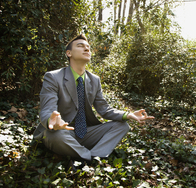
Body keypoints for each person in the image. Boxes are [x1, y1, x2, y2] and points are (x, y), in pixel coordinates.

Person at [33, 34, 154, 165]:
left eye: (88, 47)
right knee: (54, 135)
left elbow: (104, 110)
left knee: (122, 126)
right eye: (80, 46)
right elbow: (47, 109)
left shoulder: (94, 80)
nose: (86, 49)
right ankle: (91, 158)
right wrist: (51, 121)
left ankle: (93, 155)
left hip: (86, 132)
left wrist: (129, 114)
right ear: (69, 53)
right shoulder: (53, 77)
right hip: (62, 132)